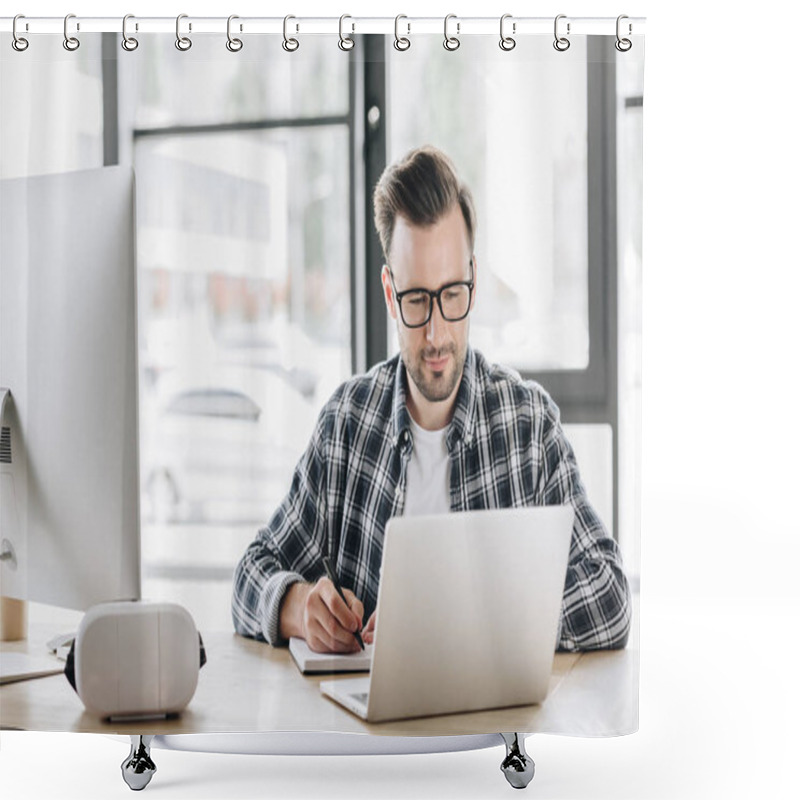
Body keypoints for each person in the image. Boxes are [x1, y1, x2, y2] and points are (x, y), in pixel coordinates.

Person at [232, 145, 631, 654]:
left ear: (474, 280)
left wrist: (469, 621)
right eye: (417, 300)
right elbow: (251, 573)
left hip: (490, 732)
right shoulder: (347, 426)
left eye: (452, 294)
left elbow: (610, 595)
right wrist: (297, 606)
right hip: (365, 733)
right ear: (388, 292)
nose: (437, 332)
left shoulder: (528, 425)